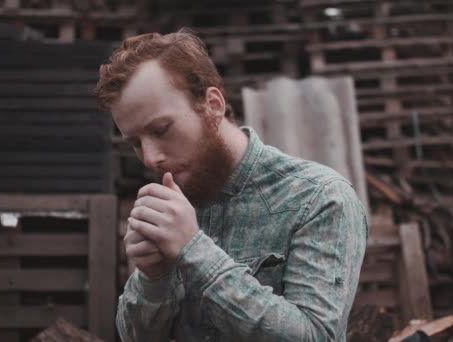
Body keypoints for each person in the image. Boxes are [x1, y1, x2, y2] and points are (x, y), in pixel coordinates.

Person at [95, 30, 368, 342]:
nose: (150, 158)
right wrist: (152, 278)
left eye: (160, 130)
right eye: (135, 143)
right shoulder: (174, 203)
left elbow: (316, 337)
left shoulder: (320, 198)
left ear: (213, 105)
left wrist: (192, 249)